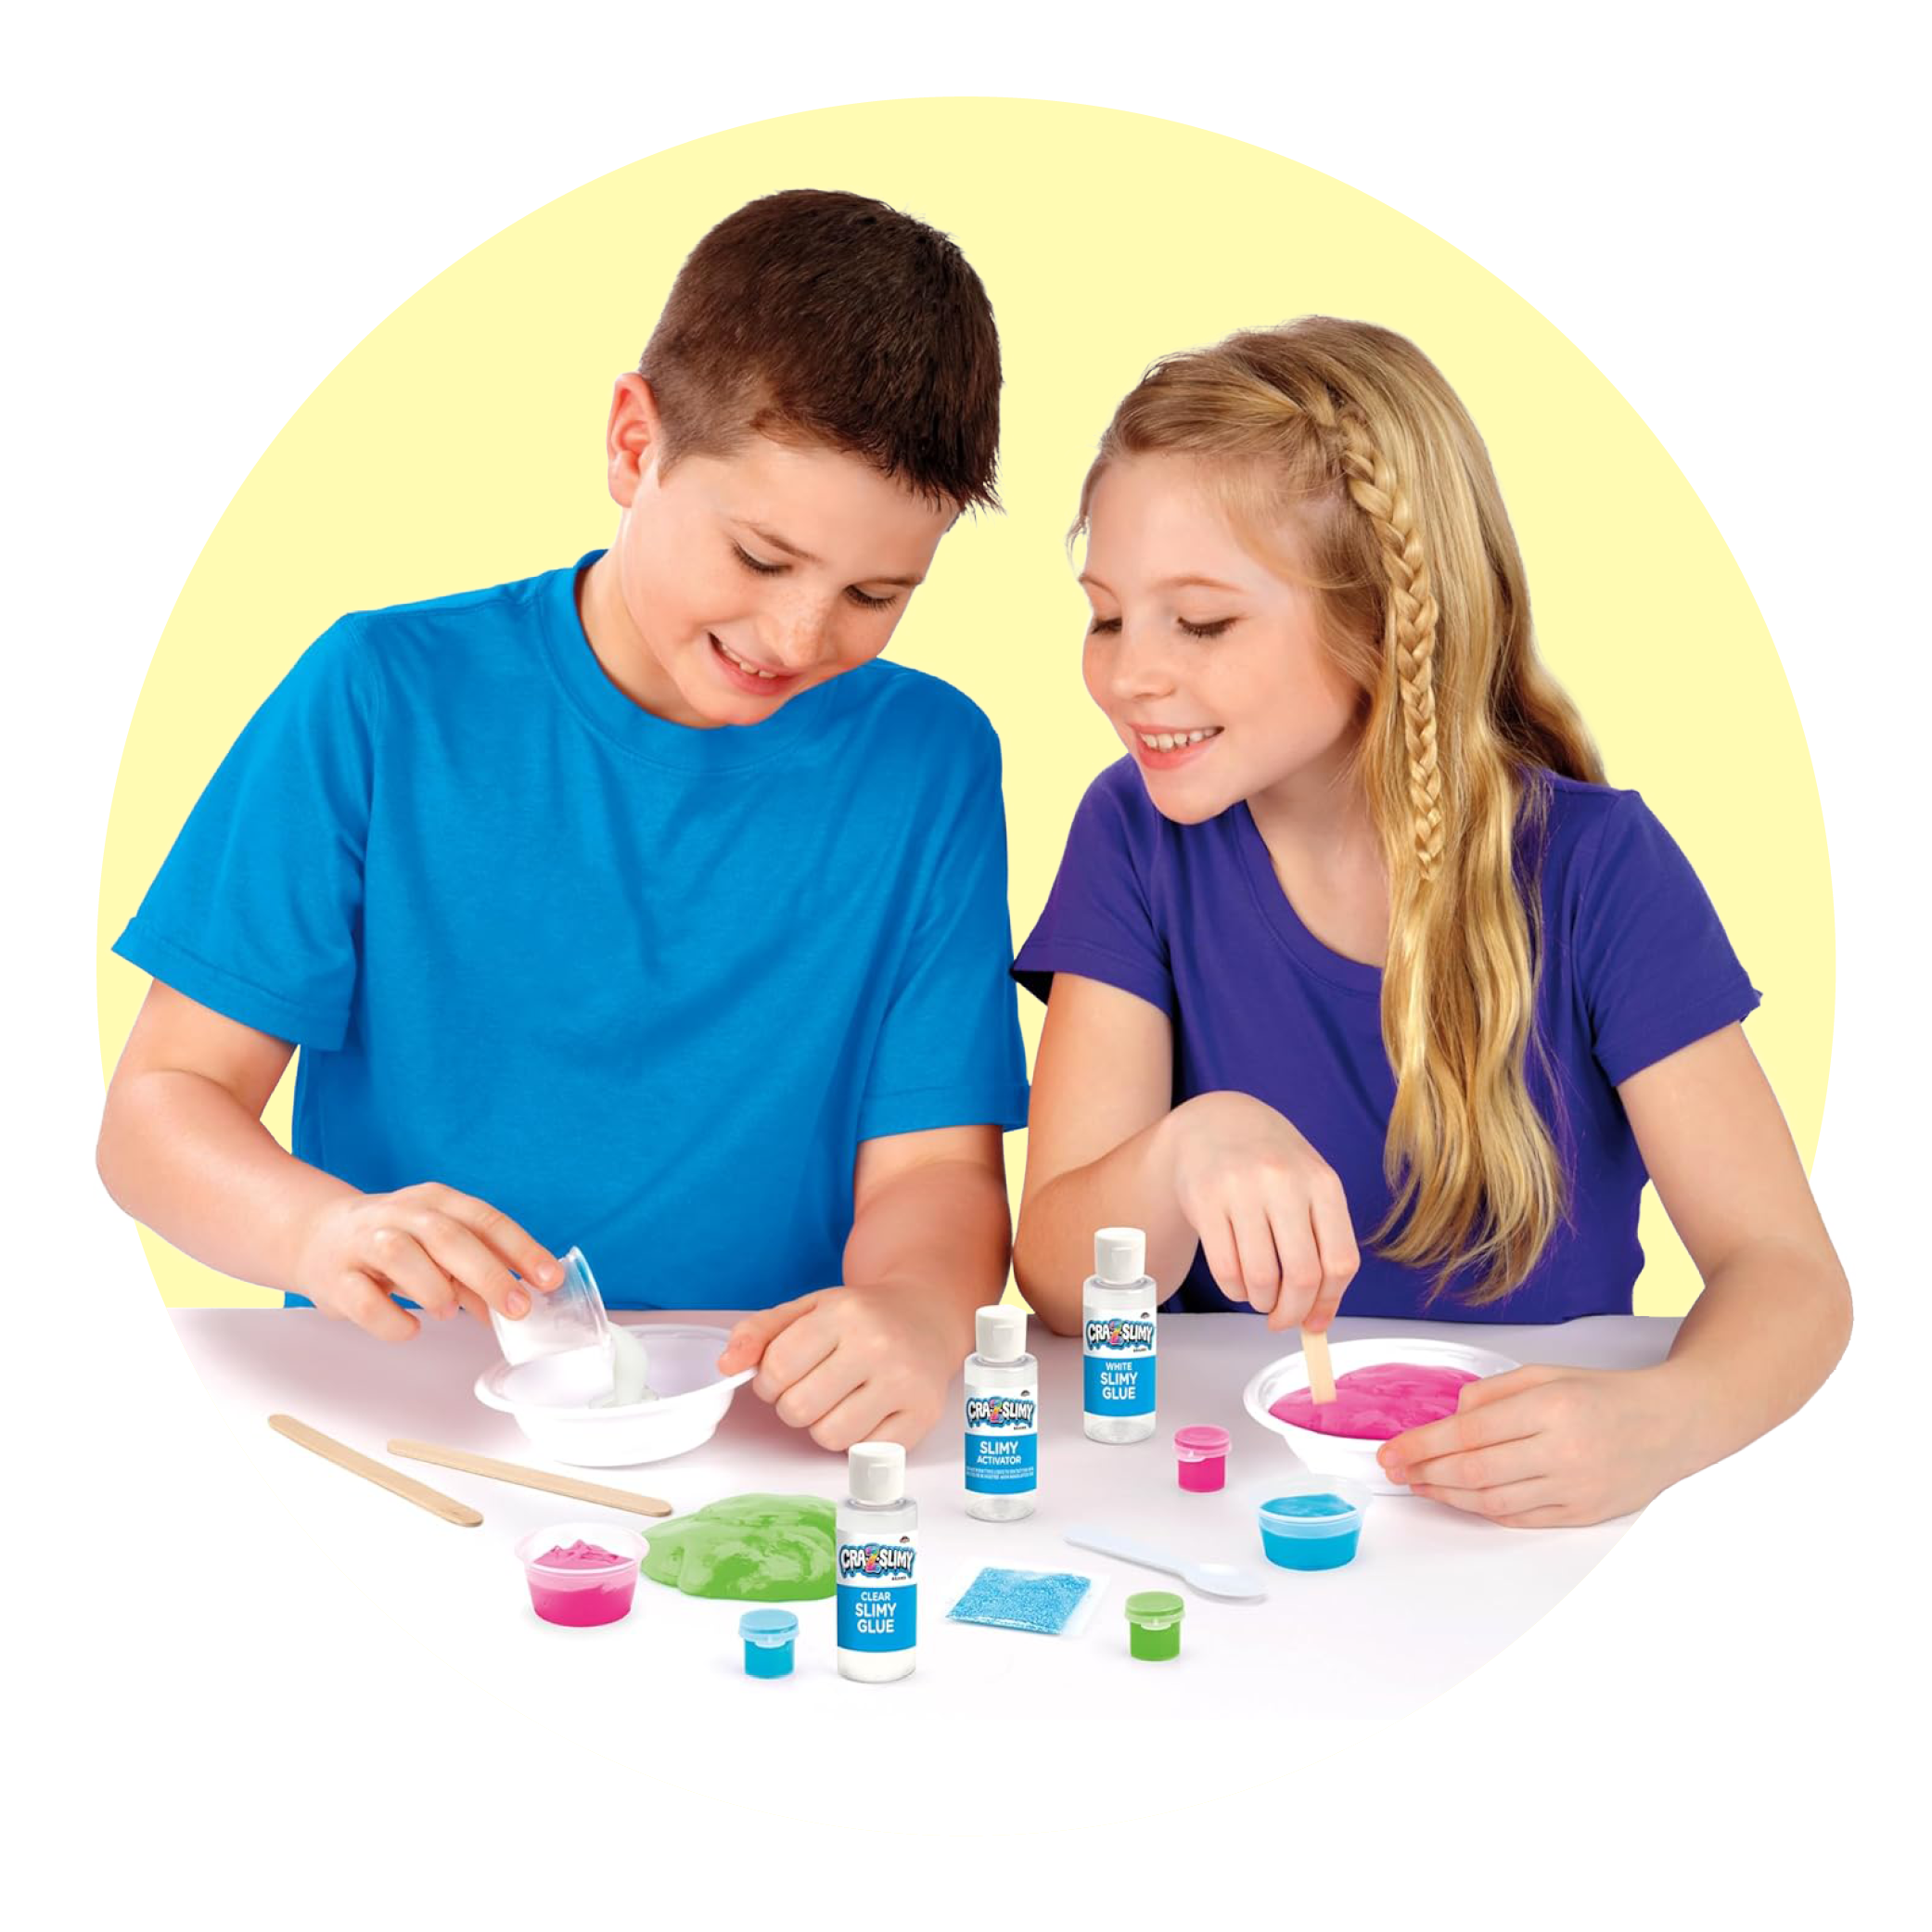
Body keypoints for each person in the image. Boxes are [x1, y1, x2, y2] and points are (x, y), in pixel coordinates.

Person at [97, 189, 1029, 1453]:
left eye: (875, 593)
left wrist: (916, 1312)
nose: (799, 635)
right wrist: (317, 1229)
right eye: (760, 558)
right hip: (408, 1411)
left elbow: (933, 1171)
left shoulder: (928, 758)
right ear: (634, 444)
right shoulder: (381, 695)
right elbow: (161, 1110)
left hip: (760, 1423)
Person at [1010, 317, 1849, 1525]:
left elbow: (1791, 1278)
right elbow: (1056, 1283)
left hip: (1518, 1521)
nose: (1127, 673)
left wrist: (1666, 1420)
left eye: (1200, 622)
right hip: (1228, 1501)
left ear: (1385, 623)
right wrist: (1183, 1151)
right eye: (1105, 615)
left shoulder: (1598, 870)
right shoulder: (1132, 835)